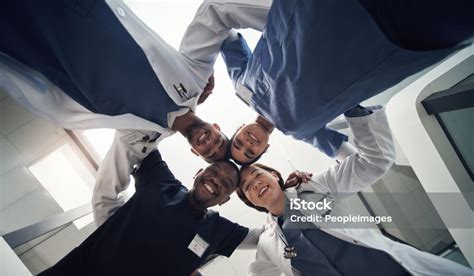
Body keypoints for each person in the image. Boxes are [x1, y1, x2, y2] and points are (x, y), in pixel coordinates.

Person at [183, 107, 474, 276]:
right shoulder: (269, 244)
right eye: (246, 186)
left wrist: (353, 102)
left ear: (275, 175)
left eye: (257, 173)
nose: (254, 182)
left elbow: (374, 162)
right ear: (251, 202)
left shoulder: (315, 189)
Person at [180, 0, 474, 164]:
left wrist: (198, 76)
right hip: (393, 37)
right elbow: (357, 158)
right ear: (265, 149)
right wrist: (309, 190)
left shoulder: (242, 87)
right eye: (251, 152)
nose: (248, 144)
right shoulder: (304, 131)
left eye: (240, 143)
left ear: (238, 129)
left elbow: (225, 33)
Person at [0, 148, 262, 276]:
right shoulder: (162, 183)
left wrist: (297, 195)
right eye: (214, 171)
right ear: (199, 171)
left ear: (225, 200)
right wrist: (193, 122)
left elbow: (265, 238)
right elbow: (138, 131)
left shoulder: (218, 230)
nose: (216, 180)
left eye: (226, 183)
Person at [0, 0, 228, 162]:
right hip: (80, 12)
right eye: (218, 141)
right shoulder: (197, 80)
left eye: (209, 151)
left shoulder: (139, 140)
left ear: (195, 152)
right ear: (217, 127)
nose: (210, 143)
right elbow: (216, 15)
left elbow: (105, 195)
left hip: (40, 48)